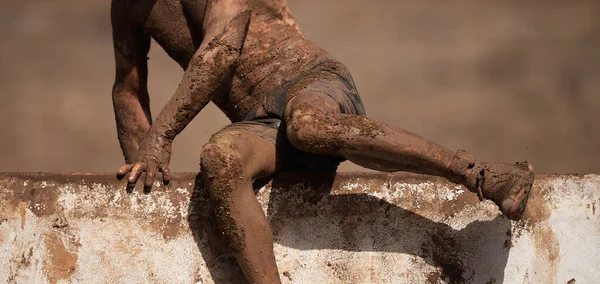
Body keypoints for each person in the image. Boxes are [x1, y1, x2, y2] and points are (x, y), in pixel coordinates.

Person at [111, 0, 535, 282]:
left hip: (312, 83)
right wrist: (143, 177)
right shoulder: (126, 8)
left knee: (308, 126)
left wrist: (161, 135)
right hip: (261, 125)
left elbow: (221, 50)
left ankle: (482, 175)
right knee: (220, 158)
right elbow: (129, 89)